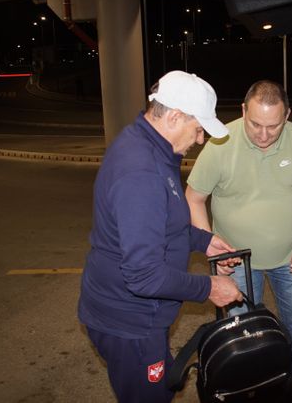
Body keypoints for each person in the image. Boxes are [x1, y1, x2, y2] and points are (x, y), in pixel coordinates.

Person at [78, 70, 243, 403]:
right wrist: (209, 287)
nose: (200, 140)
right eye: (198, 129)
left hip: (134, 316)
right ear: (175, 116)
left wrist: (202, 240)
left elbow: (162, 221)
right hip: (130, 322)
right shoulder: (141, 172)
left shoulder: (148, 144)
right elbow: (144, 276)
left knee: (162, 386)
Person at [186, 80, 292, 401]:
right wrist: (212, 246)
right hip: (235, 261)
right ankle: (246, 383)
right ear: (243, 111)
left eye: (273, 126)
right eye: (255, 124)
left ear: (287, 116)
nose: (264, 135)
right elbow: (194, 198)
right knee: (240, 331)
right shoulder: (220, 144)